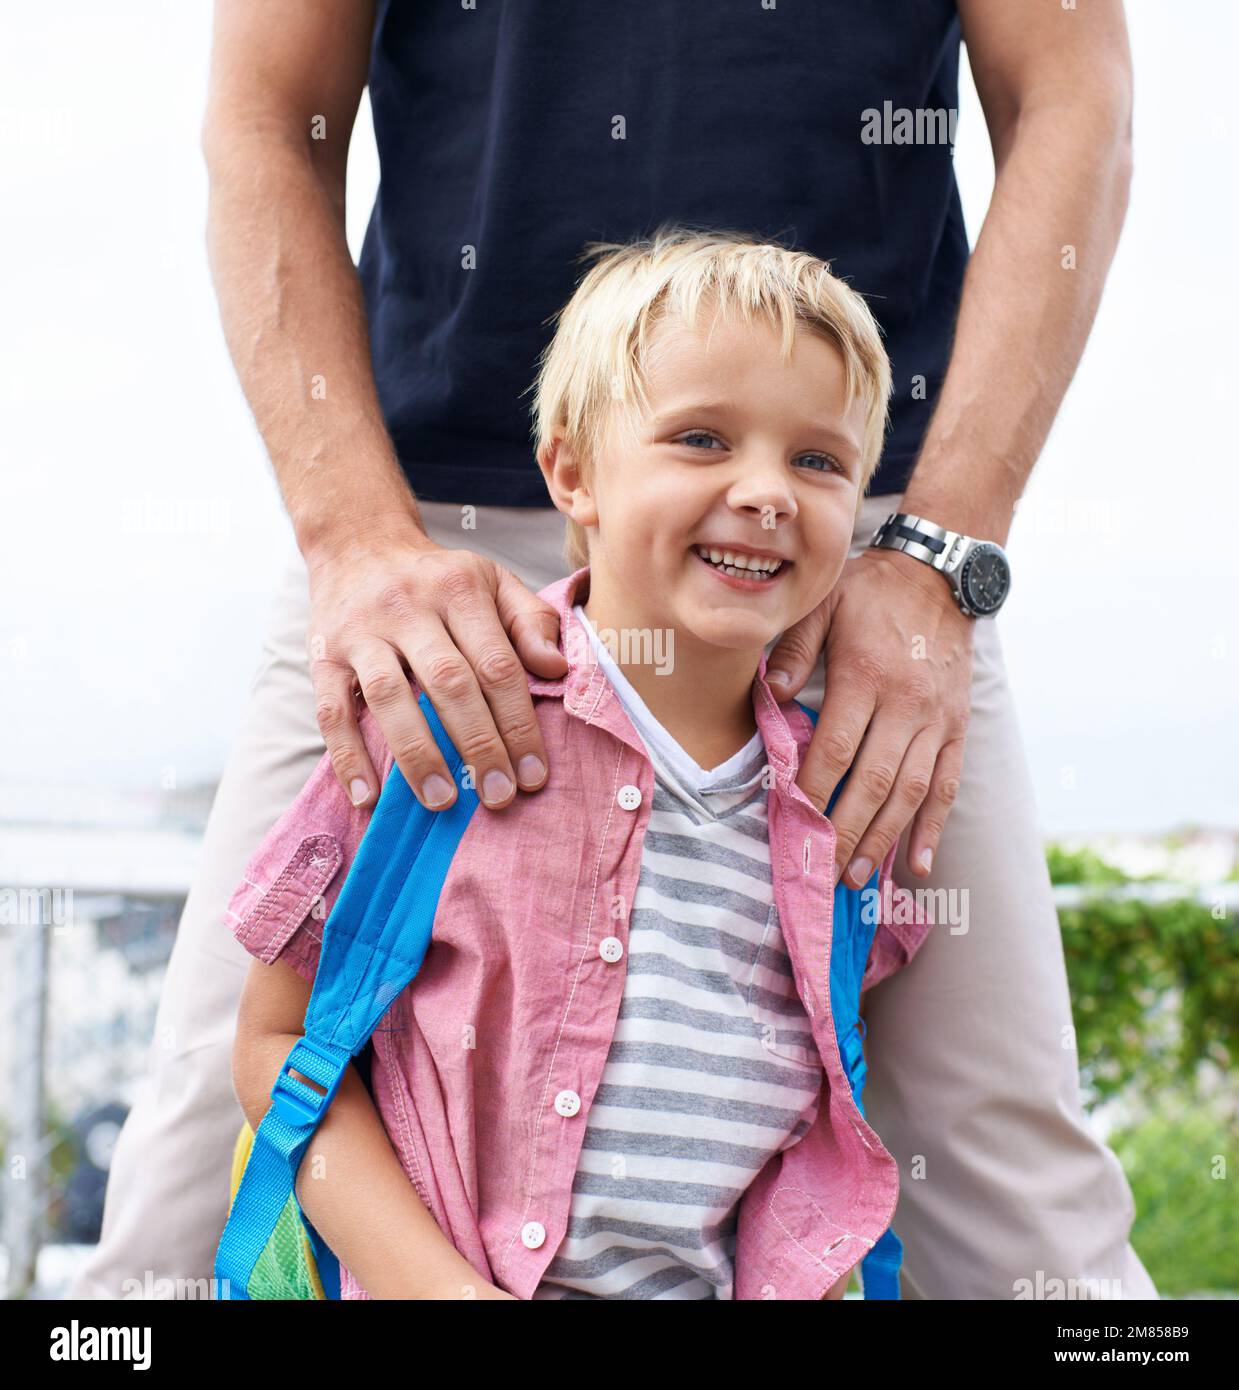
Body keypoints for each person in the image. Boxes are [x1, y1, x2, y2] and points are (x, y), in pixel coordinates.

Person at [74, 0, 1153, 1299]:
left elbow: (1068, 95)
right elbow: (266, 113)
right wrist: (352, 541)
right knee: (188, 1220)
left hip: (841, 558)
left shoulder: (831, 525)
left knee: (1022, 1223)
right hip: (425, 540)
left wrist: (940, 553)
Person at [228, 229, 928, 1300]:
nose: (769, 491)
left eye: (819, 460)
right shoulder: (435, 731)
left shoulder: (844, 810)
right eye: (701, 438)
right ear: (571, 472)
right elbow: (280, 1039)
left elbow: (816, 1144)